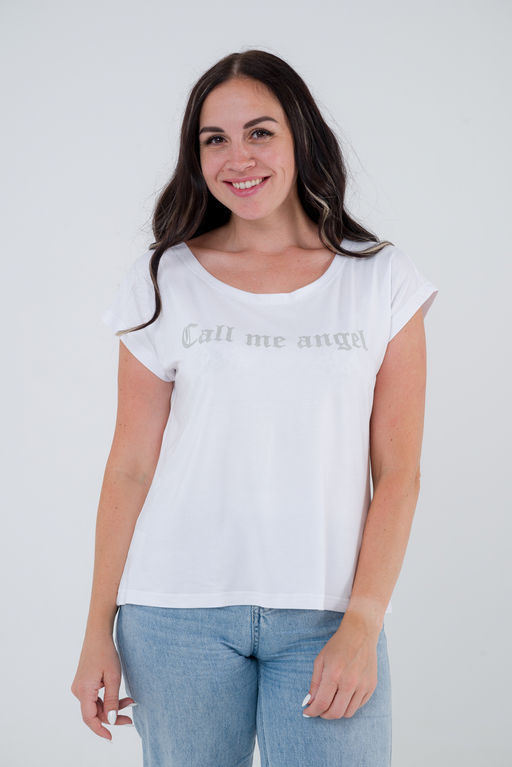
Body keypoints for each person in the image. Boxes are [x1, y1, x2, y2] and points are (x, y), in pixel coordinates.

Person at [71, 49, 438, 766]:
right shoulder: (165, 278)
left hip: (327, 615)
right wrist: (95, 631)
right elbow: (130, 466)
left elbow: (399, 473)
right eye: (215, 139)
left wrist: (364, 622)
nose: (238, 158)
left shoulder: (381, 279)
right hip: (173, 615)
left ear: (302, 137)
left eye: (260, 132)